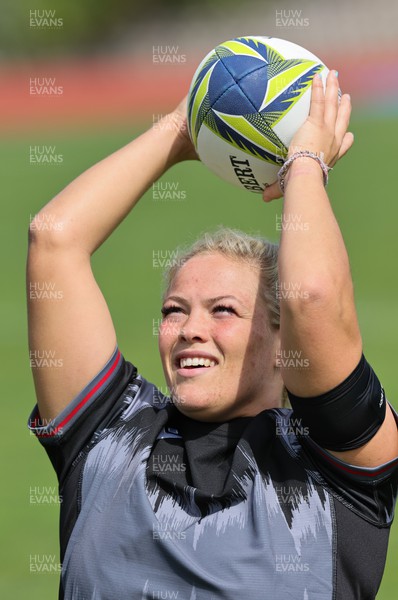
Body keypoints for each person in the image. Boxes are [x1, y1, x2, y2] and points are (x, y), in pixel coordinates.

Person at [27, 70, 398, 599]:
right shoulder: (107, 437)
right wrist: (182, 127)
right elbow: (54, 239)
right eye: (175, 311)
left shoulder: (333, 465)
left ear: (281, 346)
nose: (189, 331)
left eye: (224, 310)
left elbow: (310, 297)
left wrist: (305, 166)